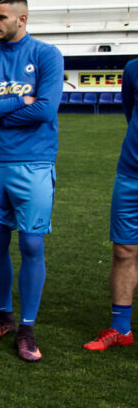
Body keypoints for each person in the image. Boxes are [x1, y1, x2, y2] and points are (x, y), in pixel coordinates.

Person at [0, 0, 62, 362]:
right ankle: (3, 317)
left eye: (0, 17)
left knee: (32, 244)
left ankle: (27, 328)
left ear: (22, 19)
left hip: (33, 161)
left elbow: (46, 110)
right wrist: (19, 102)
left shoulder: (45, 55)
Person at [83, 56, 138, 351]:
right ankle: (121, 328)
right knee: (124, 250)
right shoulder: (133, 68)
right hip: (131, 173)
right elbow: (131, 111)